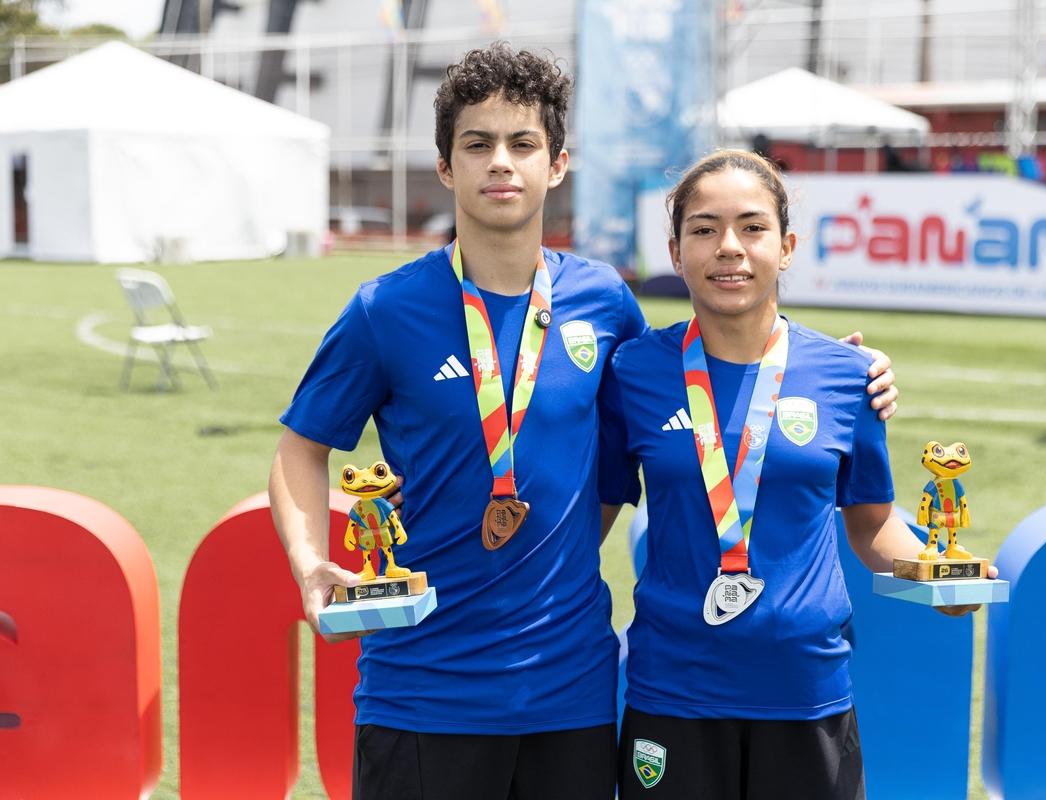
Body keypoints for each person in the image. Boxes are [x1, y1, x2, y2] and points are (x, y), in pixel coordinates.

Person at [268, 46, 898, 800]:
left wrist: (841, 372)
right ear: (446, 168)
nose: (500, 163)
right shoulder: (385, 310)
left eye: (521, 143)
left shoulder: (604, 304)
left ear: (556, 163)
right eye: (477, 144)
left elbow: (710, 388)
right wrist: (311, 565)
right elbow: (300, 449)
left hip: (571, 696)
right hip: (423, 686)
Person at [598, 150, 993, 800]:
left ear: (786, 246)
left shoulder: (847, 377)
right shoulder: (633, 372)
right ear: (675, 250)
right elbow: (593, 516)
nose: (729, 248)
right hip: (674, 691)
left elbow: (870, 526)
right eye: (704, 229)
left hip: (806, 694)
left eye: (752, 228)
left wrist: (934, 568)